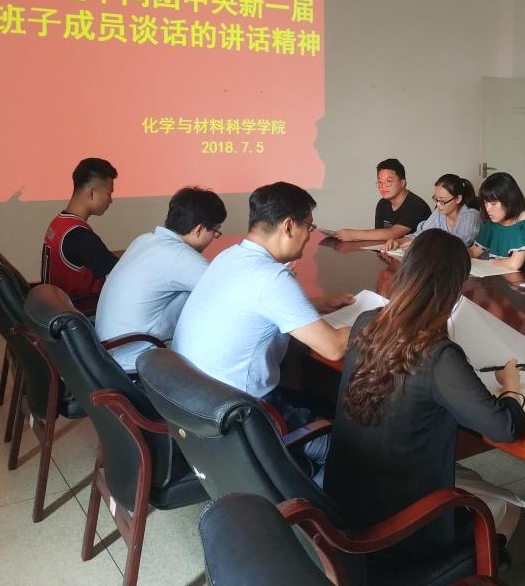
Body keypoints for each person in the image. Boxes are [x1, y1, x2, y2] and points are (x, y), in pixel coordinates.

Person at [326, 229, 525, 558]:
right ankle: (457, 572)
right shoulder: (438, 355)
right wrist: (511, 387)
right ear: (454, 288)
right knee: (510, 505)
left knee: (470, 477)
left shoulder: (366, 322)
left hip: (342, 506)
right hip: (399, 528)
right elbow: (503, 427)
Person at [172, 182, 354, 465]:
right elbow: (334, 347)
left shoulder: (229, 256)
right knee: (347, 452)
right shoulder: (271, 278)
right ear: (289, 226)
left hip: (197, 404)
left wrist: (321, 304)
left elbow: (257, 305)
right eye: (309, 226)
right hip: (243, 416)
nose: (310, 235)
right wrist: (374, 318)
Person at [95, 187, 226, 374]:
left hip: (109, 351)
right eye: (215, 231)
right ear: (199, 229)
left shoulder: (144, 240)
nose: (214, 238)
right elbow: (231, 293)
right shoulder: (181, 257)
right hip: (137, 362)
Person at [41, 157, 120, 314]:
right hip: (82, 314)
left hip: (56, 308)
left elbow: (100, 257)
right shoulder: (81, 237)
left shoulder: (58, 223)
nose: (110, 200)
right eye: (109, 193)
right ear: (92, 193)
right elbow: (121, 270)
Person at [469, 172, 525, 276]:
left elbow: (514, 264)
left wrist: (485, 263)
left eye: (494, 203)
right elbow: (474, 251)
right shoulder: (493, 223)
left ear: (509, 200)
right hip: (506, 278)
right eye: (486, 203)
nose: (488, 209)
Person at [335, 158, 431, 242]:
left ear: (402, 182)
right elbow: (379, 235)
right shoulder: (382, 204)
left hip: (418, 255)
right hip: (389, 252)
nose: (383, 186)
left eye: (388, 181)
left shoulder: (415, 205)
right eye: (380, 182)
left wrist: (353, 235)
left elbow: (394, 233)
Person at [383, 173, 481, 251]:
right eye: (436, 199)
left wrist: (420, 245)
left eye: (442, 200)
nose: (438, 204)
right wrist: (398, 242)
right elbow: (421, 234)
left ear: (458, 199)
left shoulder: (470, 216)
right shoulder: (440, 212)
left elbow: (458, 247)